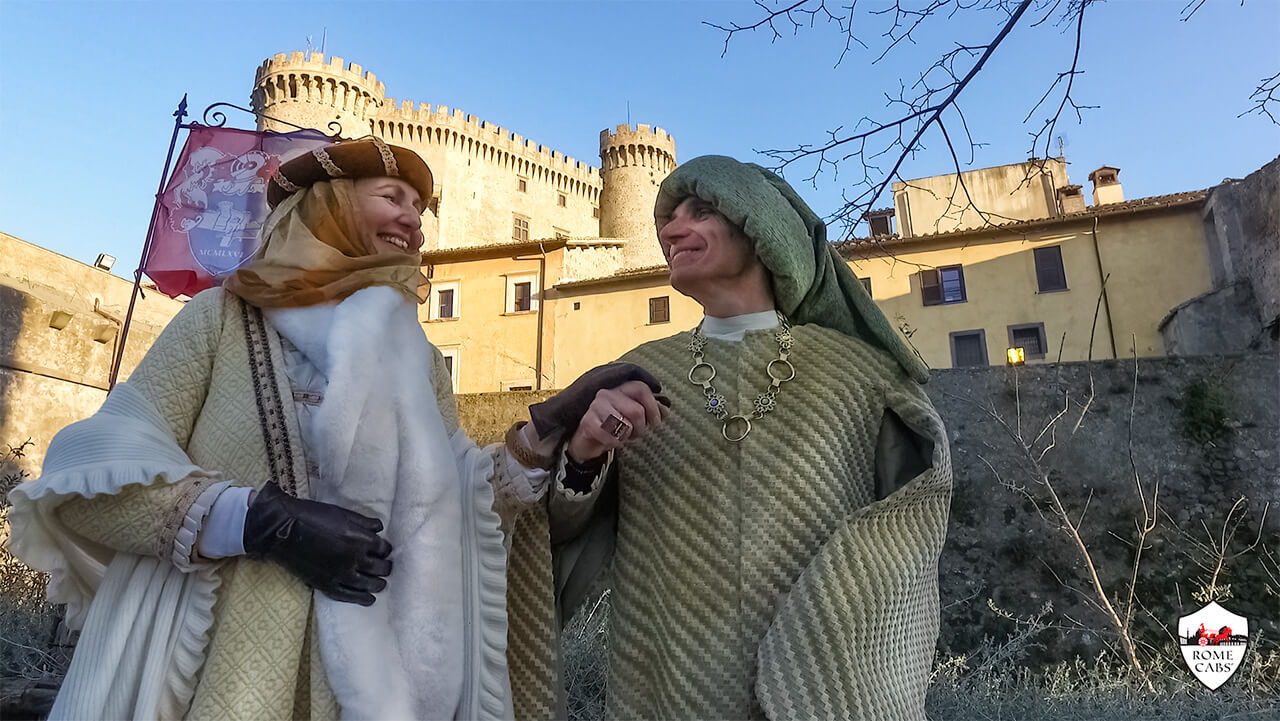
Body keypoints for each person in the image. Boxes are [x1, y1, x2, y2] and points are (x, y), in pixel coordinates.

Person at [5, 136, 658, 721]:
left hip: (368, 677)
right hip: (219, 665)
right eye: (391, 197)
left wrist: (549, 424)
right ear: (332, 204)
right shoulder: (222, 319)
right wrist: (261, 521)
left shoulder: (419, 358)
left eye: (419, 207)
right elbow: (96, 467)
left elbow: (450, 509)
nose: (413, 216)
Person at [523, 155, 953, 721]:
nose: (671, 230)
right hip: (666, 686)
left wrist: (826, 621)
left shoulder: (862, 375)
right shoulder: (638, 374)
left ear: (761, 230)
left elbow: (916, 516)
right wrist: (583, 453)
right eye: (667, 219)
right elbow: (558, 537)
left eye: (700, 211)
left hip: (825, 693)